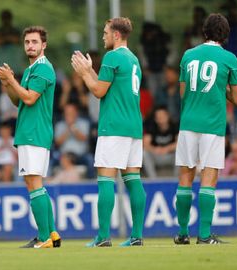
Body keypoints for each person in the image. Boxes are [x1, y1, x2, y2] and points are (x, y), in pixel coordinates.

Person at [71, 17, 146, 247]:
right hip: (133, 127)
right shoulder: (133, 59)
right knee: (133, 180)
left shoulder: (112, 56)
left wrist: (84, 74)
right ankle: (136, 236)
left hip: (113, 126)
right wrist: (91, 70)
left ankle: (103, 236)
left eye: (105, 33)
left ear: (116, 35)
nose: (103, 36)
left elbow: (98, 91)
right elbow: (107, 85)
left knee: (105, 180)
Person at [174, 13, 237, 245]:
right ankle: (204, 235)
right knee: (209, 178)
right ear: (225, 35)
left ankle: (183, 233)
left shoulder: (188, 55)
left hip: (188, 123)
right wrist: (220, 89)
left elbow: (183, 93)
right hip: (212, 125)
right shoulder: (230, 58)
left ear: (204, 32)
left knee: (185, 178)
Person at [0, 26, 61, 248]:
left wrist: (12, 80)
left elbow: (30, 98)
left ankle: (43, 238)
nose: (30, 45)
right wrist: (7, 83)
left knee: (33, 182)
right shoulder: (32, 69)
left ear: (44, 45)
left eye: (34, 42)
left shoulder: (43, 68)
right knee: (35, 183)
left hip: (34, 133)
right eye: (27, 42)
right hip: (30, 132)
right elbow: (17, 100)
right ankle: (52, 234)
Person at [143, 107, 178, 178]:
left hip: (170, 156)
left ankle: (176, 179)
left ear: (168, 116)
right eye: (158, 116)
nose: (160, 118)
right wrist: (154, 149)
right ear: (155, 118)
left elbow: (179, 143)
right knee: (144, 153)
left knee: (181, 152)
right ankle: (153, 179)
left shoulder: (174, 126)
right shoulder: (151, 127)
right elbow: (145, 143)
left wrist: (167, 149)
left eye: (162, 116)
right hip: (156, 155)